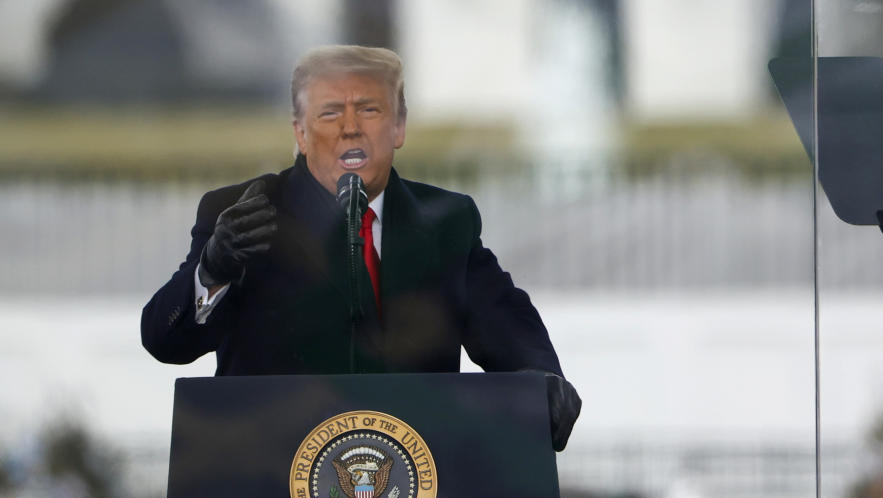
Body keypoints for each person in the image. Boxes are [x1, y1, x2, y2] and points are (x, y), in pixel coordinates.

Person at [141, 45, 580, 451]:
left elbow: (504, 317)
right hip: (268, 481)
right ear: (300, 131)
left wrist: (540, 375)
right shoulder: (240, 212)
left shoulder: (447, 220)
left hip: (416, 489)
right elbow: (165, 339)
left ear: (399, 126)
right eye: (330, 113)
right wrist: (212, 269)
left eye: (369, 109)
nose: (351, 128)